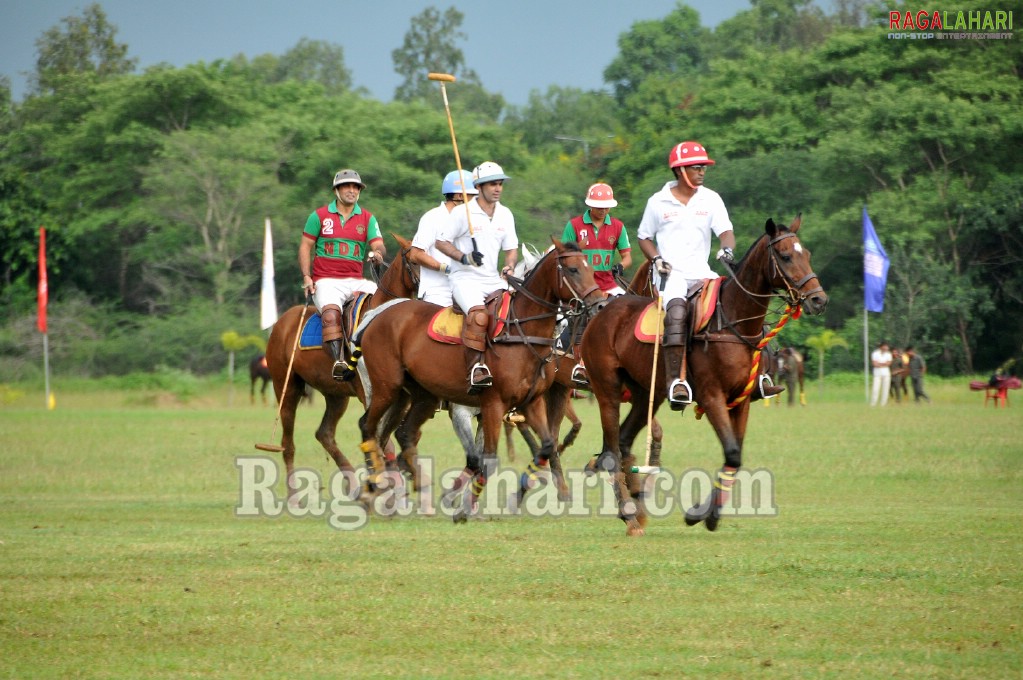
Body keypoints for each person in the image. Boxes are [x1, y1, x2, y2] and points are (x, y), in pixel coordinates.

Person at [637, 140, 782, 411]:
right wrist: (656, 259)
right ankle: (676, 381)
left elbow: (726, 231)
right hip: (671, 275)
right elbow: (644, 236)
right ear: (680, 170)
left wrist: (726, 248)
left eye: (704, 166)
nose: (702, 171)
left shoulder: (711, 198)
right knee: (678, 312)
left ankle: (760, 374)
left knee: (739, 304)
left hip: (702, 272)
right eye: (696, 167)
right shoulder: (657, 202)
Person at [435, 161, 519, 393]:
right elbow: (441, 241)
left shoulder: (505, 214)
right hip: (464, 279)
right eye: (492, 184)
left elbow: (511, 249)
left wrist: (509, 267)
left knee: (513, 313)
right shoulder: (463, 212)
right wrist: (464, 258)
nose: (498, 188)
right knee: (479, 316)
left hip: (493, 279)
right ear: (479, 187)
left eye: (500, 184)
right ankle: (476, 368)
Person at [299, 168, 385, 381]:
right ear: (336, 190)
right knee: (330, 312)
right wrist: (306, 276)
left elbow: (379, 245)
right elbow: (305, 247)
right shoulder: (319, 216)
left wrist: (377, 254)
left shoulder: (367, 218)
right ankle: (339, 360)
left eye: (355, 187)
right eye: (346, 186)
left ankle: (386, 355)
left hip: (356, 280)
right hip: (326, 280)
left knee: (385, 304)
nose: (351, 190)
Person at [561, 182, 632, 385]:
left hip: (608, 282)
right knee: (580, 316)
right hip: (582, 284)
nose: (603, 210)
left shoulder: (617, 226)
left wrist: (620, 265)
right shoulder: (574, 225)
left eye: (606, 206)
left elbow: (627, 256)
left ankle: (624, 360)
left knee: (626, 312)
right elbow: (565, 254)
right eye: (599, 206)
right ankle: (581, 364)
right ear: (590, 205)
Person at [409, 169, 478, 306]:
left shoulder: (472, 221)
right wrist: (444, 268)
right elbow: (415, 254)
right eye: (473, 196)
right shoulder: (433, 218)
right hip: (439, 293)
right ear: (459, 196)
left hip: (468, 290)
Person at [870, 340, 894, 406]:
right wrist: (883, 364)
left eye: (887, 346)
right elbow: (875, 364)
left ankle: (883, 404)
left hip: (886, 374)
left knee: (885, 389)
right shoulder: (875, 353)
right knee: (875, 389)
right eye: (886, 346)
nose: (887, 347)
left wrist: (880, 364)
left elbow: (889, 363)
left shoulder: (888, 354)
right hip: (877, 374)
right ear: (882, 346)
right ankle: (873, 404)